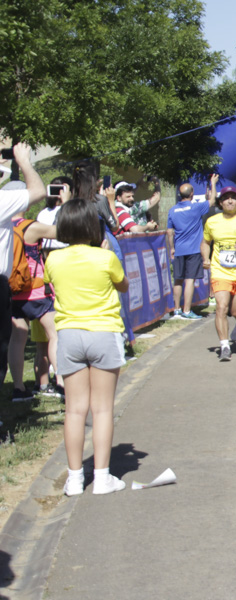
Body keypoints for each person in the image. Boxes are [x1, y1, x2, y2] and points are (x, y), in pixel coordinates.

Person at [46, 197, 129, 496]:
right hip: (103, 333)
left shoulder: (53, 259)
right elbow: (123, 285)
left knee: (74, 410)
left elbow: (51, 281)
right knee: (102, 409)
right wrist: (105, 255)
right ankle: (103, 477)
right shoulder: (105, 258)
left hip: (69, 334)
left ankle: (75, 478)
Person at [1, 143, 46, 394]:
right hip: (14, 286)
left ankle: (15, 391)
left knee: (14, 338)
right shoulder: (5, 204)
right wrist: (23, 161)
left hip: (8, 286)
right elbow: (38, 190)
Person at [8, 202, 59, 402]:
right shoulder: (31, 226)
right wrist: (63, 205)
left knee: (17, 340)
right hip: (35, 291)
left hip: (12, 290)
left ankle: (19, 388)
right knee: (54, 336)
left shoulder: (3, 226)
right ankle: (62, 382)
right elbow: (64, 231)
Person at [201, 186, 236, 360]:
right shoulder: (212, 221)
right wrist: (205, 258)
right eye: (226, 198)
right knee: (221, 307)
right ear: (221, 202)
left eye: (233, 198)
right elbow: (206, 242)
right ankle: (224, 346)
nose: (230, 201)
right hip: (220, 271)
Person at [167, 175, 218, 319]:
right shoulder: (196, 207)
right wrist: (212, 184)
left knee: (178, 279)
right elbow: (213, 200)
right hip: (194, 249)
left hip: (179, 250)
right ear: (191, 194)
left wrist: (172, 248)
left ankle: (176, 309)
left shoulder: (172, 210)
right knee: (189, 279)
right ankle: (187, 310)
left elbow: (169, 232)